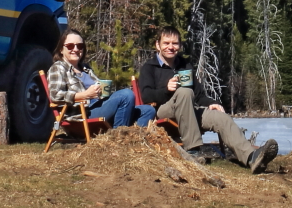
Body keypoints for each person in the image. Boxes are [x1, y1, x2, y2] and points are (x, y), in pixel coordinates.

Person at [135, 27, 279, 172]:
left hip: (188, 111)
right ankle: (192, 151)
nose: (171, 47)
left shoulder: (184, 65)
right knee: (184, 92)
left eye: (175, 43)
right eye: (166, 43)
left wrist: (212, 103)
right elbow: (146, 96)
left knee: (220, 118)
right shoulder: (150, 67)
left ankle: (251, 157)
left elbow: (198, 94)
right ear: (157, 45)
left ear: (180, 45)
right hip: (164, 112)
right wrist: (166, 90)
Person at [45, 33, 143, 128]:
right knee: (126, 95)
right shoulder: (58, 68)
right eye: (70, 46)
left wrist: (103, 90)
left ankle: (130, 140)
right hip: (82, 114)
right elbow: (55, 95)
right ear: (61, 49)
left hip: (98, 106)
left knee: (147, 110)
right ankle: (118, 138)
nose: (75, 49)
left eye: (80, 46)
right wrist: (85, 95)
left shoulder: (86, 68)